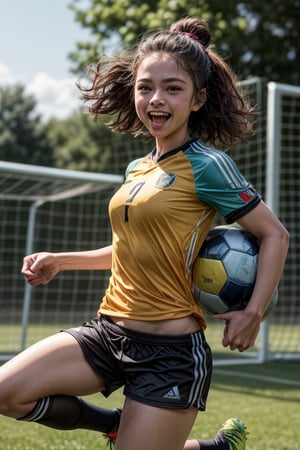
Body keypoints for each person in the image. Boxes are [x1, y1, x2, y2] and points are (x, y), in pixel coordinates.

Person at [0, 17, 289, 450]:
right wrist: (62, 260)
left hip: (170, 355)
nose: (156, 99)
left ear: (198, 99)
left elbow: (275, 236)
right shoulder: (138, 168)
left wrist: (253, 313)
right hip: (107, 333)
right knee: (7, 391)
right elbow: (130, 249)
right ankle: (114, 424)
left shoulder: (207, 165)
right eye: (145, 86)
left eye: (173, 88)